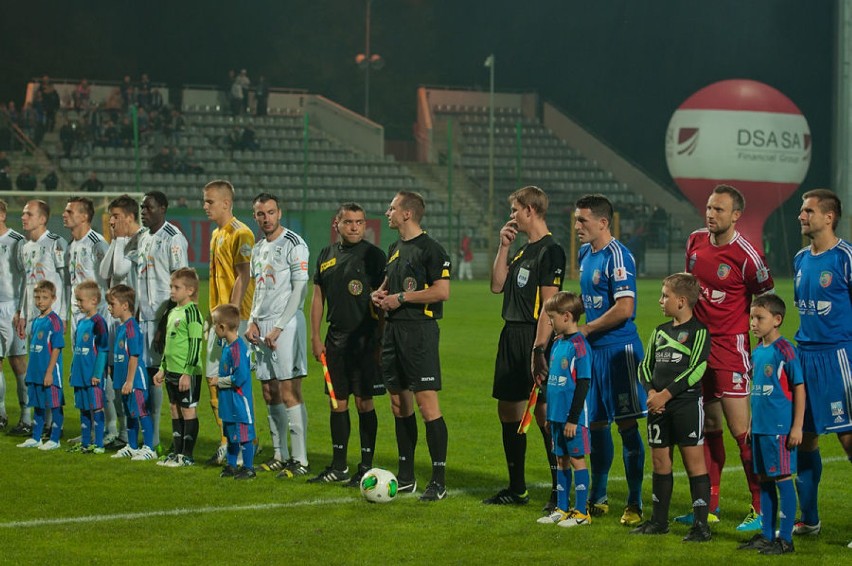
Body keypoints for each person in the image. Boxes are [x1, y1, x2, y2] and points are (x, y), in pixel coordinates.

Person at [683, 184, 775, 531]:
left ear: (736, 215)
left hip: (730, 346)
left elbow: (765, 295)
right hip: (698, 345)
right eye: (709, 207)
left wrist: (758, 332)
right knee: (707, 427)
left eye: (719, 210)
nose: (710, 214)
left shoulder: (747, 255)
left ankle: (761, 507)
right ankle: (709, 505)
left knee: (741, 430)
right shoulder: (694, 242)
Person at [484, 186, 566, 511]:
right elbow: (496, 285)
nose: (512, 216)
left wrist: (539, 350)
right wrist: (503, 247)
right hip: (510, 337)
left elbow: (550, 305)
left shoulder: (551, 251)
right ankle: (517, 489)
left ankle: (561, 490)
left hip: (535, 337)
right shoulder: (521, 251)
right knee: (508, 412)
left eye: (515, 210)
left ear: (530, 210)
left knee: (544, 416)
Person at [371, 191, 450, 502]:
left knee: (427, 405)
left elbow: (442, 291)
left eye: (392, 208)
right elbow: (389, 286)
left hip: (419, 333)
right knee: (398, 404)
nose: (387, 212)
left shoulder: (432, 250)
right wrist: (378, 295)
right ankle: (406, 477)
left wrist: (401, 299)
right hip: (392, 332)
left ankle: (438, 480)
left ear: (407, 214)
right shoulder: (394, 248)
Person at [574, 193, 646, 526]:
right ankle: (599, 495)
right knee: (597, 424)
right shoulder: (585, 254)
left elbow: (625, 308)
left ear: (603, 222)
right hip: (594, 353)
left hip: (620, 353)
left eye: (582, 220)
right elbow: (589, 299)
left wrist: (587, 328)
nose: (577, 226)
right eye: (576, 220)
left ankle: (634, 502)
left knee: (627, 426)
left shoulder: (619, 257)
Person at [309, 203, 386, 485]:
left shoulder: (375, 257)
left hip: (365, 341)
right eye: (349, 222)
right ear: (336, 224)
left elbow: (383, 301)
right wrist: (316, 336)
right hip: (336, 340)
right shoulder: (326, 256)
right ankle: (338, 466)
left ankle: (365, 465)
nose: (355, 227)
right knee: (336, 403)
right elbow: (318, 297)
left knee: (364, 403)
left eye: (359, 222)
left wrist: (380, 340)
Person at [631, 273, 712, 542]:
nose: (660, 300)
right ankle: (658, 521)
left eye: (665, 295)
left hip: (685, 405)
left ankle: (701, 526)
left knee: (694, 463)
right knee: (659, 461)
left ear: (681, 301)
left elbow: (697, 368)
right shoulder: (660, 332)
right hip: (658, 406)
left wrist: (665, 395)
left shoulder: (699, 331)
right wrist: (651, 393)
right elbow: (645, 366)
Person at [791, 188, 852, 537]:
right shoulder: (801, 259)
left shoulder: (845, 257)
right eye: (802, 210)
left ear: (828, 217)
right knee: (805, 439)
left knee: (848, 439)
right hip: (805, 358)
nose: (802, 215)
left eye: (808, 211)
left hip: (839, 358)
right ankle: (810, 519)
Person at [246, 193, 310, 477]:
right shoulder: (258, 248)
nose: (266, 218)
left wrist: (280, 326)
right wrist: (251, 322)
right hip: (261, 326)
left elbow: (300, 290)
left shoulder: (294, 244)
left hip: (286, 324)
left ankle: (300, 459)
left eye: (270, 212)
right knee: (269, 391)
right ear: (255, 216)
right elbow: (257, 290)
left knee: (289, 391)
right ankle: (279, 454)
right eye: (261, 214)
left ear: (279, 213)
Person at [737, 294, 804, 555]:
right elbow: (758, 391)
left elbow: (799, 388)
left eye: (759, 318)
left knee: (782, 479)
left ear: (777, 320)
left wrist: (797, 426)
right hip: (761, 429)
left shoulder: (785, 350)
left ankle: (785, 539)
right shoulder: (758, 352)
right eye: (752, 317)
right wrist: (752, 423)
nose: (753, 323)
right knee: (764, 479)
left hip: (780, 429)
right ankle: (766, 535)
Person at [203, 180, 255, 466]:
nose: (205, 206)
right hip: (217, 319)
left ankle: (245, 439)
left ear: (226, 203)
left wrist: (232, 315)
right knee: (213, 379)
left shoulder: (241, 233)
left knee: (236, 381)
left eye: (210, 201)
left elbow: (243, 275)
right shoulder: (215, 234)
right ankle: (227, 441)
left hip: (233, 320)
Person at [137, 191, 189, 455]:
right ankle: (150, 439)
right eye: (142, 207)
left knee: (159, 377)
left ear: (163, 209)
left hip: (163, 320)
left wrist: (163, 324)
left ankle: (156, 439)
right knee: (146, 376)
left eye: (149, 207)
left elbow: (181, 284)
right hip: (143, 317)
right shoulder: (143, 238)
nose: (144, 211)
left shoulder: (173, 238)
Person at [536, 292, 592, 528]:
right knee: (560, 460)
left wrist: (572, 419)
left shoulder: (580, 346)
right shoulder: (558, 343)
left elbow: (583, 384)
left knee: (577, 460)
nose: (550, 322)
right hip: (556, 417)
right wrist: (549, 416)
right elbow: (553, 384)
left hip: (573, 419)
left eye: (552, 317)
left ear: (567, 316)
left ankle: (581, 513)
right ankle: (561, 508)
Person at [99, 195, 143, 450]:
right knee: (115, 374)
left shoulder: (137, 241)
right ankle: (125, 434)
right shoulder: (119, 241)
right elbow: (105, 272)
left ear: (128, 216)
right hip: (117, 321)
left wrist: (121, 240)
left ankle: (137, 435)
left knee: (133, 377)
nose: (111, 221)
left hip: (132, 321)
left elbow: (120, 269)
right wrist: (115, 239)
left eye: (115, 216)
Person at [152, 268, 203, 467]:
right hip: (171, 370)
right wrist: (162, 367)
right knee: (174, 409)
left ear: (189, 290)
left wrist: (187, 372)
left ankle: (187, 456)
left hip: (186, 372)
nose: (172, 291)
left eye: (176, 287)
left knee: (188, 410)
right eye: (171, 287)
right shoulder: (173, 312)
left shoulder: (192, 313)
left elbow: (196, 344)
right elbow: (169, 343)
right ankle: (177, 452)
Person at [107, 284, 156, 461]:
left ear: (125, 305)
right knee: (130, 414)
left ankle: (150, 448)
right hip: (125, 380)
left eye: (112, 304)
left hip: (135, 381)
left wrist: (129, 381)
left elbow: (134, 356)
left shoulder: (131, 328)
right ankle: (133, 446)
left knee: (142, 412)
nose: (109, 308)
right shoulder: (120, 327)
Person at [16, 280, 64, 450]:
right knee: (38, 404)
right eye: (37, 297)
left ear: (53, 299)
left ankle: (55, 439)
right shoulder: (36, 321)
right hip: (36, 371)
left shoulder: (55, 321)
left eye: (44, 297)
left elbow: (57, 348)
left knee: (54, 404)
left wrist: (50, 372)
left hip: (49, 371)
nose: (40, 301)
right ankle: (36, 437)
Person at [211, 304, 257, 479]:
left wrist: (219, 381)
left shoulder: (237, 348)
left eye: (215, 324)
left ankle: (248, 468)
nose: (214, 328)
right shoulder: (228, 346)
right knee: (231, 435)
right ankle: (231, 465)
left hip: (239, 401)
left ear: (222, 327)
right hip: (228, 401)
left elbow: (240, 377)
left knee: (244, 435)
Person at [68, 280, 109, 454]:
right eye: (77, 300)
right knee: (84, 409)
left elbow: (103, 349)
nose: (78, 303)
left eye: (80, 300)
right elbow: (77, 351)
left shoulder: (98, 322)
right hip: (80, 375)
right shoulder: (82, 322)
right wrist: (72, 371)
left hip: (93, 376)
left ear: (93, 301)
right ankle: (85, 442)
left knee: (96, 408)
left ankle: (98, 443)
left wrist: (98, 373)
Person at [0, 199, 28, 434]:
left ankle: (27, 416)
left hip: (12, 308)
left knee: (18, 362)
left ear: (2, 215)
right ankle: (0, 414)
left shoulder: (17, 241)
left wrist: (22, 310)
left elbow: (27, 276)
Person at [63, 196, 109, 339]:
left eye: (69, 212)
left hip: (96, 312)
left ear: (84, 217)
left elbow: (110, 277)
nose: (64, 215)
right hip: (77, 312)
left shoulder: (97, 243)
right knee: (79, 358)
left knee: (97, 357)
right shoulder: (70, 245)